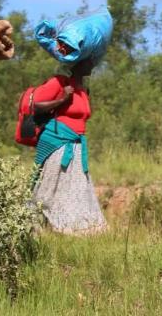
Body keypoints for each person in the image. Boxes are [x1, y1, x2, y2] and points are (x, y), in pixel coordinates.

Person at [30, 58, 107, 235]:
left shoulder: (83, 90)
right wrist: (63, 98)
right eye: (88, 61)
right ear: (77, 63)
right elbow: (37, 106)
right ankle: (34, 227)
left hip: (75, 144)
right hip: (57, 142)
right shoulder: (59, 82)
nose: (92, 64)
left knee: (76, 186)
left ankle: (75, 228)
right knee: (49, 186)